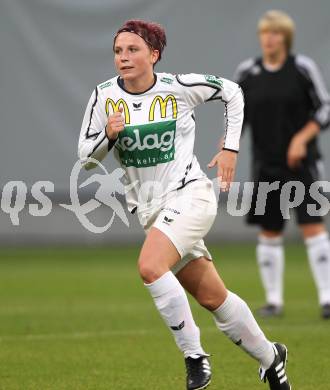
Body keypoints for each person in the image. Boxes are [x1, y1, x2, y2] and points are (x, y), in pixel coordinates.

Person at [78, 19, 291, 389]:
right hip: (151, 212)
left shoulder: (177, 87)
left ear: (154, 55)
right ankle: (272, 358)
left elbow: (233, 92)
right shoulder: (104, 96)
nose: (123, 58)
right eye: (118, 51)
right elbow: (86, 158)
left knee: (149, 266)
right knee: (213, 297)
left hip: (191, 195)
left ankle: (194, 356)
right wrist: (107, 136)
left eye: (133, 50)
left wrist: (229, 147)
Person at [234, 10, 330, 319]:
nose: (269, 38)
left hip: (303, 164)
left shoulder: (302, 68)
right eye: (265, 32)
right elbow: (237, 114)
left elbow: (325, 107)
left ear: (285, 37)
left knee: (312, 228)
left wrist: (302, 138)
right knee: (269, 231)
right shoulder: (248, 72)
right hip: (267, 165)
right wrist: (229, 150)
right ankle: (273, 301)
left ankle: (327, 299)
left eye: (276, 33)